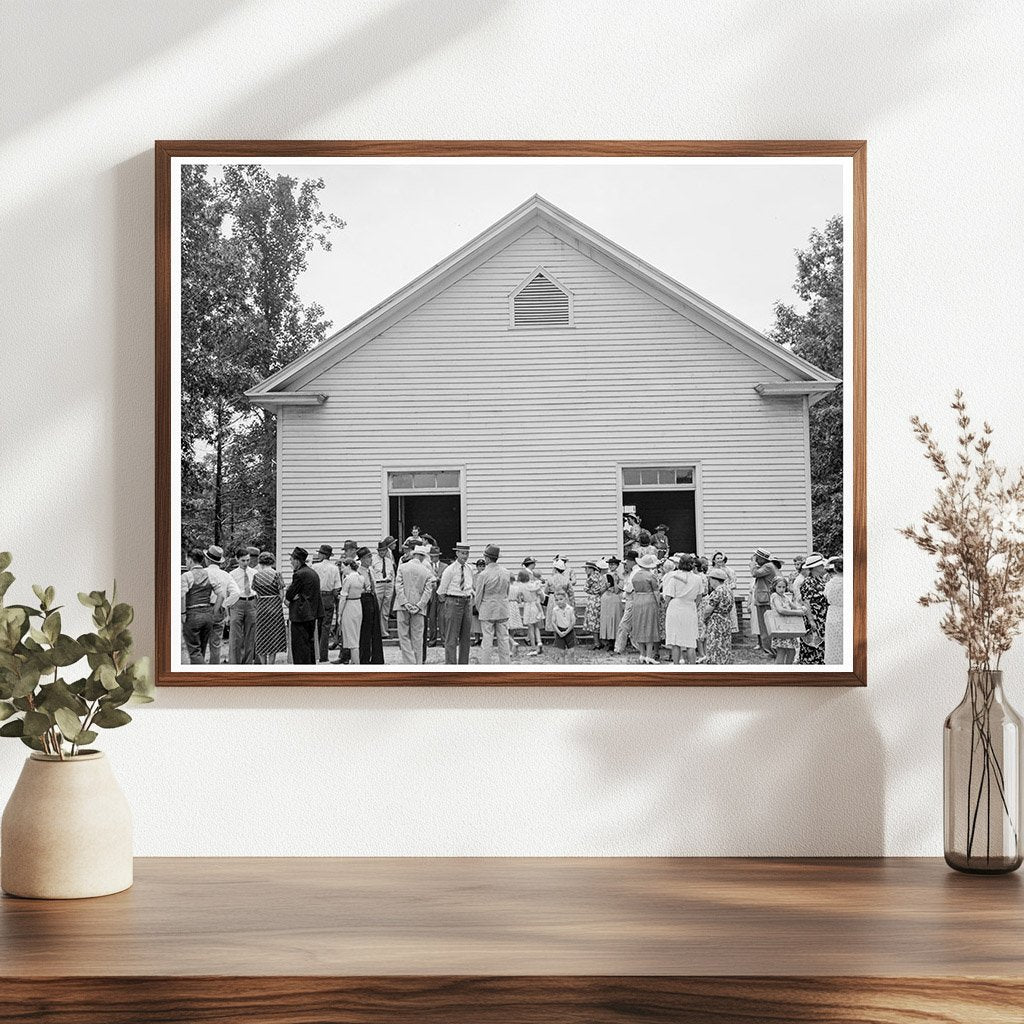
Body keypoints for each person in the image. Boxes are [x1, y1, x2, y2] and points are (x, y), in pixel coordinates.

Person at [181, 547, 226, 665]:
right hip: (207, 615)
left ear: (190, 560)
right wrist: (213, 612)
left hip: (192, 615)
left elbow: (182, 596)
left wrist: (183, 613)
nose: (186, 562)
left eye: (186, 559)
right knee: (201, 650)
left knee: (194, 651)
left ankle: (202, 671)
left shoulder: (186, 576)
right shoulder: (210, 575)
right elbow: (221, 595)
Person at [394, 544, 434, 664]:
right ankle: (418, 663)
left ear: (414, 555)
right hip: (419, 608)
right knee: (418, 637)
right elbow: (428, 591)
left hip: (402, 606)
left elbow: (398, 586)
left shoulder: (402, 567)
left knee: (404, 636)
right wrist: (419, 605)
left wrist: (405, 603)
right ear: (423, 557)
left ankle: (409, 662)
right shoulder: (427, 571)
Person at [284, 547, 323, 665]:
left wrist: (290, 595)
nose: (291, 562)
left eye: (292, 559)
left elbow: (290, 594)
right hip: (312, 614)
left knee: (300, 648)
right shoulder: (312, 573)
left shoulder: (299, 574)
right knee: (309, 646)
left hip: (300, 615)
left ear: (297, 560)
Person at [474, 544, 512, 665]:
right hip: (502, 608)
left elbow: (478, 595)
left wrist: (479, 608)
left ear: (487, 558)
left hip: (487, 609)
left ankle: (486, 666)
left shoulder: (483, 575)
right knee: (504, 639)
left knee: (487, 641)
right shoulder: (506, 572)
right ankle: (505, 665)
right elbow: (507, 592)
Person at [661, 553, 701, 665]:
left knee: (675, 640)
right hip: (690, 607)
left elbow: (668, 596)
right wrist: (693, 605)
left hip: (675, 607)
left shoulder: (674, 577)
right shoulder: (697, 579)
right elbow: (699, 596)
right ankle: (692, 667)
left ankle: (676, 665)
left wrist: (665, 606)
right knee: (690, 641)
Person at [438, 542, 474, 665]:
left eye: (467, 553)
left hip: (467, 602)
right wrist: (449, 602)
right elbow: (441, 591)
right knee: (451, 636)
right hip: (453, 601)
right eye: (462, 553)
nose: (465, 556)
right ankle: (451, 665)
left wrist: (470, 595)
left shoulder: (469, 569)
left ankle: (463, 665)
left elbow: (470, 585)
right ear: (457, 553)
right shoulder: (450, 570)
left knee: (466, 637)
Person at [203, 545, 239, 665]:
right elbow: (236, 593)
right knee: (216, 643)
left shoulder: (202, 573)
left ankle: (199, 670)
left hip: (203, 609)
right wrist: (224, 604)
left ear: (208, 560)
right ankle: (214, 669)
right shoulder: (226, 575)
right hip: (218, 610)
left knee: (200, 643)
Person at [253, 552, 286, 665]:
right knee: (273, 635)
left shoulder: (256, 576)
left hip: (262, 606)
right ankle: (271, 663)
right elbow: (282, 594)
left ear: (260, 562)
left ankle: (263, 664)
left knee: (262, 635)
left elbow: (256, 593)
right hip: (275, 606)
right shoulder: (277, 574)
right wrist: (276, 602)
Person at [797, 553, 829, 666]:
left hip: (822, 617)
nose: (823, 567)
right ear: (815, 567)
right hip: (814, 618)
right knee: (812, 646)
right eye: (821, 565)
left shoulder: (821, 580)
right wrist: (811, 621)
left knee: (821, 646)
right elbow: (806, 602)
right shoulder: (808, 582)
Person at [629, 553, 661, 664]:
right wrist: (658, 603)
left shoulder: (635, 575)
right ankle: (649, 655)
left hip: (637, 599)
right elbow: (656, 592)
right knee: (650, 626)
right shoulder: (651, 576)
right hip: (649, 599)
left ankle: (642, 654)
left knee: (639, 625)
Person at [312, 544, 342, 664]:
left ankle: (315, 652)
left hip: (317, 596)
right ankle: (323, 655)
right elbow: (337, 587)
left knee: (316, 625)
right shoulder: (334, 568)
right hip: (328, 596)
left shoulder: (314, 567)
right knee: (326, 626)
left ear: (323, 555)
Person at [229, 546, 258, 665]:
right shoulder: (232, 574)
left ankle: (248, 663)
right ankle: (235, 663)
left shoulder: (254, 573)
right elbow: (228, 592)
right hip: (237, 603)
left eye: (247, 560)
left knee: (251, 635)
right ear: (237, 559)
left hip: (251, 602)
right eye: (243, 560)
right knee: (236, 635)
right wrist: (228, 611)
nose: (246, 563)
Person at [768, 578, 806, 665]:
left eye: (783, 587)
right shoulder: (775, 596)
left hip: (789, 627)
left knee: (792, 651)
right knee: (781, 651)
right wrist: (797, 613)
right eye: (779, 587)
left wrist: (801, 608)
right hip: (780, 627)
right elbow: (780, 610)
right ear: (774, 587)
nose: (781, 589)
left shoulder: (785, 597)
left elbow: (794, 607)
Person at [701, 567, 735, 665]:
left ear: (715, 580)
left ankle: (715, 664)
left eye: (710, 579)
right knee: (724, 644)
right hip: (726, 619)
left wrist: (704, 618)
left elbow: (708, 609)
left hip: (716, 621)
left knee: (715, 644)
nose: (710, 582)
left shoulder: (717, 592)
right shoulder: (728, 590)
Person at [749, 548, 780, 656]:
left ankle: (769, 650)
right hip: (762, 599)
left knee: (765, 626)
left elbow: (754, 573)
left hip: (765, 600)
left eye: (757, 557)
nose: (755, 559)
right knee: (764, 626)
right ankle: (768, 649)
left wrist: (752, 563)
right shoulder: (766, 566)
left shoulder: (768, 566)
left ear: (762, 558)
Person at [357, 546, 384, 665]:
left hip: (372, 597)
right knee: (365, 629)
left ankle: (377, 658)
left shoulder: (371, 570)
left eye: (371, 557)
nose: (371, 559)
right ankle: (364, 657)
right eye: (368, 557)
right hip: (364, 598)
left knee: (375, 628)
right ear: (362, 559)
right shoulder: (358, 571)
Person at [335, 559, 364, 664]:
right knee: (356, 634)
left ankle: (356, 663)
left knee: (351, 637)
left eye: (343, 567)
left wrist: (339, 614)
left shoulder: (348, 579)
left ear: (348, 566)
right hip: (358, 605)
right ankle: (355, 661)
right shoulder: (361, 577)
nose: (342, 570)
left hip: (349, 606)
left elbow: (343, 597)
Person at [613, 550, 640, 655]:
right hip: (630, 598)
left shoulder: (635, 572)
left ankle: (619, 647)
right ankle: (636, 646)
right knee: (633, 625)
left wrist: (624, 592)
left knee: (624, 624)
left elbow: (629, 588)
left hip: (632, 598)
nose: (626, 564)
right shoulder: (633, 571)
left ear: (632, 561)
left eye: (628, 561)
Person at [371, 536, 397, 639]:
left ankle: (384, 632)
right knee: (377, 609)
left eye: (384, 550)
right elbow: (372, 574)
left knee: (385, 611)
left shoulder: (389, 561)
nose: (382, 552)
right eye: (380, 551)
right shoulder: (373, 560)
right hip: (378, 585)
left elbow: (392, 574)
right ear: (378, 551)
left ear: (386, 550)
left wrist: (392, 586)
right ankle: (375, 633)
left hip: (388, 585)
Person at [598, 556, 623, 651]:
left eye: (613, 564)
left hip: (615, 598)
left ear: (617, 565)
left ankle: (616, 640)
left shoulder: (620, 576)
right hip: (606, 598)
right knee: (607, 618)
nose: (611, 566)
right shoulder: (605, 576)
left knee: (615, 617)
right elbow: (600, 590)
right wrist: (606, 586)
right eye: (610, 564)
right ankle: (608, 641)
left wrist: (615, 582)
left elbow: (618, 590)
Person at [711, 552, 739, 632]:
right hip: (714, 595)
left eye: (721, 558)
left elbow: (734, 584)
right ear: (714, 560)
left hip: (726, 596)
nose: (720, 560)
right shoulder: (711, 571)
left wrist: (725, 589)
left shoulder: (729, 571)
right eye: (718, 558)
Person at [425, 545, 447, 649]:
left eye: (435, 556)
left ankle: (444, 640)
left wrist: (439, 579)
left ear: (438, 556)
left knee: (442, 619)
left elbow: (447, 579)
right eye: (432, 556)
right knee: (432, 619)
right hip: (431, 594)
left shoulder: (445, 566)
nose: (433, 558)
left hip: (441, 594)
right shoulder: (427, 566)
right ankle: (432, 640)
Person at [545, 556, 574, 633]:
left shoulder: (550, 579)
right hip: (564, 597)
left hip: (553, 598)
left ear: (555, 569)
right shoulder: (566, 579)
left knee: (554, 617)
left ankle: (556, 635)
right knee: (564, 617)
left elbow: (546, 591)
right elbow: (571, 592)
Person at [824, 556, 844, 665]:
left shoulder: (830, 583)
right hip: (845, 612)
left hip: (833, 613)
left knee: (833, 642)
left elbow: (826, 595)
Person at [520, 566, 544, 656]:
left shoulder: (522, 586)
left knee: (530, 628)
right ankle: (539, 642)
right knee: (536, 626)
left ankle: (533, 647)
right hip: (535, 605)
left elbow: (521, 598)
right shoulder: (535, 585)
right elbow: (541, 596)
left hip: (527, 606)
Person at [582, 561, 606, 645]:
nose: (585, 570)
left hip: (593, 599)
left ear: (591, 569)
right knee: (598, 620)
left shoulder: (591, 578)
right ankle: (601, 641)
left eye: (586, 568)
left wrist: (592, 591)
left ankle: (597, 643)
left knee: (593, 621)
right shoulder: (600, 576)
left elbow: (585, 588)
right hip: (600, 598)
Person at [550, 591, 576, 664]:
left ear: (565, 599)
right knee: (561, 652)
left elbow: (573, 622)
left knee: (571, 651)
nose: (559, 601)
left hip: (569, 631)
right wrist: (558, 632)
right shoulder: (555, 610)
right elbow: (553, 622)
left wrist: (567, 631)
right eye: (556, 600)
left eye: (561, 599)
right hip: (560, 631)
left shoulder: (570, 609)